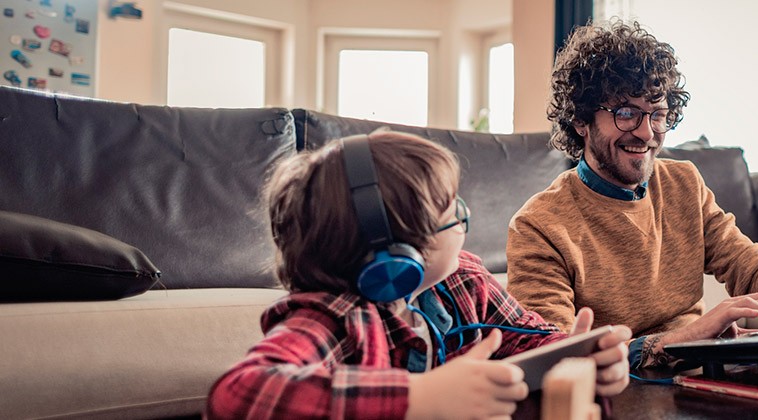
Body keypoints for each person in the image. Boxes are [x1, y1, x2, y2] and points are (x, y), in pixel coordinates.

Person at [206, 130, 631, 419]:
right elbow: (237, 394)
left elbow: (522, 334)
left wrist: (576, 352)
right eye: (452, 215)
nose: (465, 218)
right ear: (398, 254)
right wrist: (420, 398)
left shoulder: (462, 277)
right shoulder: (333, 317)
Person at [506, 20, 758, 370]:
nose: (647, 132)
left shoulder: (683, 182)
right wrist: (682, 341)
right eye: (626, 114)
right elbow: (551, 356)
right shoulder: (538, 225)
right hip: (619, 389)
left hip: (700, 376)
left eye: (658, 115)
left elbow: (746, 261)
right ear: (581, 120)